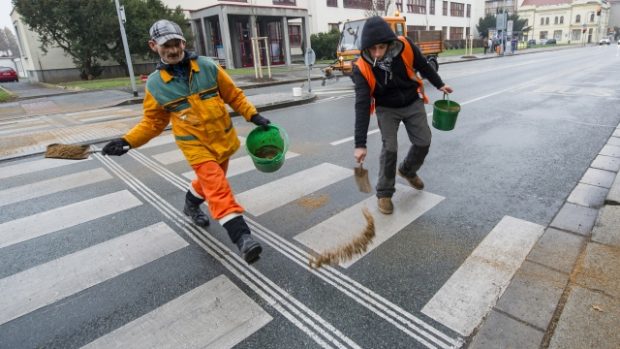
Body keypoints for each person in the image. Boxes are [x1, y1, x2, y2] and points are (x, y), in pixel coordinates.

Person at [102, 19, 269, 263]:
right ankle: (242, 237)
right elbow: (152, 123)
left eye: (175, 43)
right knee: (216, 185)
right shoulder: (156, 84)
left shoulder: (208, 67)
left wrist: (253, 115)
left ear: (183, 42)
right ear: (153, 46)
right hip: (193, 144)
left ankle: (190, 205)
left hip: (221, 139)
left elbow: (233, 94)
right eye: (164, 45)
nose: (172, 50)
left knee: (211, 179)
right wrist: (127, 141)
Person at [352, 16, 453, 215]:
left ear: (390, 44)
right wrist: (360, 144)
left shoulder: (405, 46)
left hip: (412, 100)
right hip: (386, 107)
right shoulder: (361, 68)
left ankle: (407, 170)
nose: (378, 53)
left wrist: (439, 84)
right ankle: (385, 194)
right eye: (373, 49)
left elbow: (424, 66)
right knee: (390, 148)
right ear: (366, 48)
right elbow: (362, 105)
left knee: (424, 141)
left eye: (381, 47)